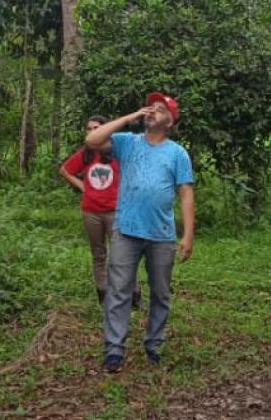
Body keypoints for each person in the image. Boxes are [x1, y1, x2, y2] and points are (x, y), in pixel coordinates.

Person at [85, 92, 195, 373]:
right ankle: (114, 350)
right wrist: (129, 117)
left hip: (161, 235)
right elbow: (92, 141)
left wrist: (187, 235)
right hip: (126, 231)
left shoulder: (177, 153)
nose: (152, 112)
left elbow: (185, 194)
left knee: (160, 293)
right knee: (118, 291)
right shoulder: (127, 143)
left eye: (160, 110)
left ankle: (153, 344)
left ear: (170, 122)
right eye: (150, 108)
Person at [60, 116, 142, 307]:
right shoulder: (85, 154)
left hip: (115, 211)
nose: (92, 132)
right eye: (89, 129)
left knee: (122, 254)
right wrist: (82, 186)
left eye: (97, 128)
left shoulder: (117, 151)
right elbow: (65, 170)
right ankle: (103, 294)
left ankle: (134, 295)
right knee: (98, 254)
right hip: (91, 212)